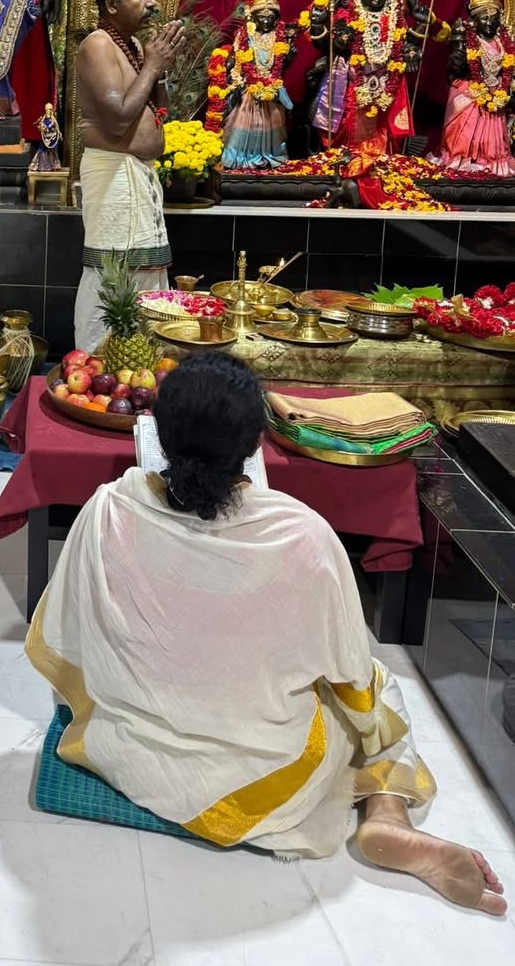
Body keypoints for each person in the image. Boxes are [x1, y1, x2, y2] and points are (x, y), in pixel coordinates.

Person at [26, 351, 506, 915]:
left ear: (157, 435)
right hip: (260, 774)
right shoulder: (301, 535)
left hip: (131, 748)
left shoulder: (109, 507)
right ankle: (387, 815)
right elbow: (349, 675)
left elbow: (68, 630)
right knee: (376, 687)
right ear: (255, 444)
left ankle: (382, 813)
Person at [72, 0, 186, 355]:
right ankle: (94, 363)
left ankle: (140, 364)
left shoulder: (134, 47)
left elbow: (159, 110)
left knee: (146, 272)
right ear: (112, 4)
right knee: (112, 273)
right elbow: (119, 118)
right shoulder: (97, 45)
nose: (152, 3)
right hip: (113, 175)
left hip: (137, 172)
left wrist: (160, 69)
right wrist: (152, 66)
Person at [304, 0, 428, 173]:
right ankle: (349, 158)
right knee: (351, 118)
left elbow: (405, 44)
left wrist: (414, 45)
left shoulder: (395, 17)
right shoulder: (347, 14)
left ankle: (380, 161)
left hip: (387, 80)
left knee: (383, 124)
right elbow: (327, 44)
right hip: (353, 79)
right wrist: (322, 26)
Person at [206, 0, 295, 169]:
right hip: (248, 91)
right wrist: (239, 82)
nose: (266, 20)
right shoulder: (244, 35)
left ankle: (271, 157)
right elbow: (238, 63)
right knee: (242, 127)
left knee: (273, 127)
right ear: (254, 17)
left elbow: (280, 67)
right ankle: (240, 157)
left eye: (270, 16)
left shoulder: (280, 37)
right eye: (262, 16)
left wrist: (288, 58)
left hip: (273, 92)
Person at [433, 0, 515, 176]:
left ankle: (490, 162)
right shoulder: (466, 37)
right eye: (483, 18)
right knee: (463, 120)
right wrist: (459, 48)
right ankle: (462, 159)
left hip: (496, 96)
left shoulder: (503, 41)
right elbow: (454, 70)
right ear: (473, 18)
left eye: (493, 18)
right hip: (469, 92)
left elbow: (507, 69)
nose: (489, 23)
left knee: (493, 142)